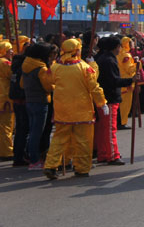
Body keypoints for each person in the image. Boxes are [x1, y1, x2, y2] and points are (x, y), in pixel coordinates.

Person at [42, 39, 108, 179]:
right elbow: (94, 86)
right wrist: (102, 103)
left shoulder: (55, 67)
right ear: (77, 50)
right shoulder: (84, 67)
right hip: (82, 110)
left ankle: (51, 165)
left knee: (59, 139)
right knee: (83, 141)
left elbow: (48, 82)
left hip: (62, 110)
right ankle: (82, 168)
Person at [95, 36, 134, 166]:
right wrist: (131, 80)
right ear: (117, 47)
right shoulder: (109, 61)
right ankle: (112, 155)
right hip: (110, 97)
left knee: (103, 128)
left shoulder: (103, 58)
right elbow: (114, 81)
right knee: (110, 128)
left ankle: (103, 153)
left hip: (104, 97)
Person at [23, 42, 56, 170]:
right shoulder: (41, 69)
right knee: (37, 133)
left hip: (29, 100)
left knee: (32, 131)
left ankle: (31, 156)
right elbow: (48, 87)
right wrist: (54, 84)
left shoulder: (26, 65)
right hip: (41, 101)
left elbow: (21, 84)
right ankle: (35, 161)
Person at [8, 38, 30, 166]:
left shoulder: (15, 63)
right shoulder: (25, 65)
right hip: (23, 99)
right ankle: (21, 155)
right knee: (24, 129)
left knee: (20, 129)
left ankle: (18, 155)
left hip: (16, 99)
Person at [117, 37, 138, 129]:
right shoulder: (126, 55)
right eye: (131, 42)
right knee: (125, 105)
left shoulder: (119, 54)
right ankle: (122, 122)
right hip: (127, 82)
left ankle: (121, 121)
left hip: (121, 81)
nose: (133, 44)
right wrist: (138, 63)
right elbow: (130, 69)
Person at [0, 41, 14, 161]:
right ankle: (7, 152)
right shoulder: (5, 63)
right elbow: (12, 74)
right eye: (10, 50)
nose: (12, 52)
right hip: (4, 98)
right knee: (6, 126)